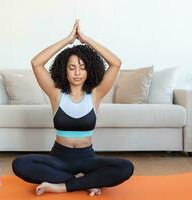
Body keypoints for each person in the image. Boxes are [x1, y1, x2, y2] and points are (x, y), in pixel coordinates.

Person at [12, 19, 134, 196]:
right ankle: (87, 181)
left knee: (125, 167)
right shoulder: (56, 94)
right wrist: (67, 40)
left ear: (89, 70)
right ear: (65, 70)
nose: (77, 73)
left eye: (82, 68)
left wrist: (86, 40)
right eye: (72, 67)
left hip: (87, 159)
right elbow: (36, 63)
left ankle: (62, 185)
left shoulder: (96, 94)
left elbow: (116, 63)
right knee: (20, 164)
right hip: (58, 159)